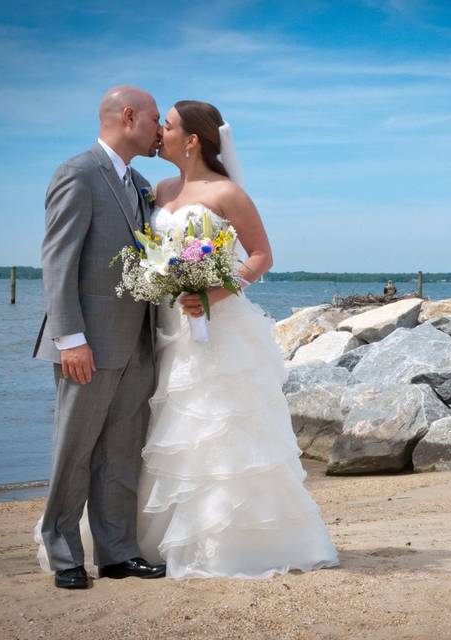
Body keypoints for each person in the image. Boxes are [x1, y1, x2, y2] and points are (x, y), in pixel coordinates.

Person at [137, 100, 339, 579]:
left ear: (191, 140)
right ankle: (155, 539)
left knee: (216, 424)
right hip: (164, 326)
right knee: (166, 426)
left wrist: (211, 290)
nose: (158, 133)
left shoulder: (227, 192)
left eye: (166, 126)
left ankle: (228, 545)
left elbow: (261, 255)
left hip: (216, 325)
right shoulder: (157, 190)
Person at [33, 86, 166, 589]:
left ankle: (117, 553)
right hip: (87, 344)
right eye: (156, 118)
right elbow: (58, 261)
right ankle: (65, 555)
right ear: (129, 116)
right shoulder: (77, 173)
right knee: (75, 449)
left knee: (122, 451)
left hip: (139, 342)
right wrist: (70, 339)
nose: (159, 129)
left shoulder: (142, 183)